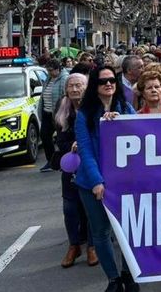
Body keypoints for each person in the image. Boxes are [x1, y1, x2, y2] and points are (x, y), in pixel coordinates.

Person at [74, 67, 139, 291]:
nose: (109, 84)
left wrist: (121, 121)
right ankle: (113, 279)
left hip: (124, 182)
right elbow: (85, 150)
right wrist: (96, 181)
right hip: (92, 183)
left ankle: (129, 274)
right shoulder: (84, 114)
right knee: (101, 232)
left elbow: (142, 132)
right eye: (103, 81)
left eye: (112, 79)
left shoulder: (125, 107)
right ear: (95, 85)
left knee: (129, 230)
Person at [52, 73, 96, 268]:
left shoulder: (94, 108)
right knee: (69, 209)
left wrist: (84, 144)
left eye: (79, 85)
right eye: (71, 86)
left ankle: (92, 246)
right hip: (71, 167)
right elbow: (59, 139)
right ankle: (74, 245)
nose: (75, 89)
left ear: (87, 87)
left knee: (91, 208)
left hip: (91, 165)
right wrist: (71, 145)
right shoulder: (62, 109)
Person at [39, 59, 69, 172]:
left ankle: (63, 161)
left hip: (59, 113)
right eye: (48, 70)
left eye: (51, 70)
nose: (49, 72)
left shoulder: (64, 79)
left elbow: (65, 96)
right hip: (47, 112)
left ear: (58, 69)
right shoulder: (48, 79)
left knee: (61, 139)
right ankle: (51, 161)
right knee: (44, 135)